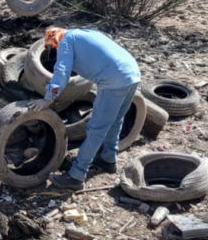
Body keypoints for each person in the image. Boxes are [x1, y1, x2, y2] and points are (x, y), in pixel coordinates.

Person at [30, 27, 141, 191]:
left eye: (54, 49)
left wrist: (48, 98)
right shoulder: (86, 33)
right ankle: (108, 159)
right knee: (116, 120)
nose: (56, 52)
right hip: (132, 73)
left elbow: (62, 71)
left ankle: (76, 176)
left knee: (96, 129)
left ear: (55, 41)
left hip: (114, 80)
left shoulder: (65, 40)